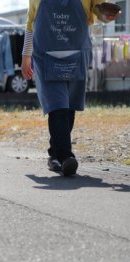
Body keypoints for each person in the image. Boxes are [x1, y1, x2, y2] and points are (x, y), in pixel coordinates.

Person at [21, 0, 120, 176]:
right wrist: (25, 56)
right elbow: (31, 23)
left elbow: (100, 13)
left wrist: (108, 16)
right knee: (58, 106)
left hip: (76, 55)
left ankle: (55, 155)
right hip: (46, 56)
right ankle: (66, 157)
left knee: (69, 107)